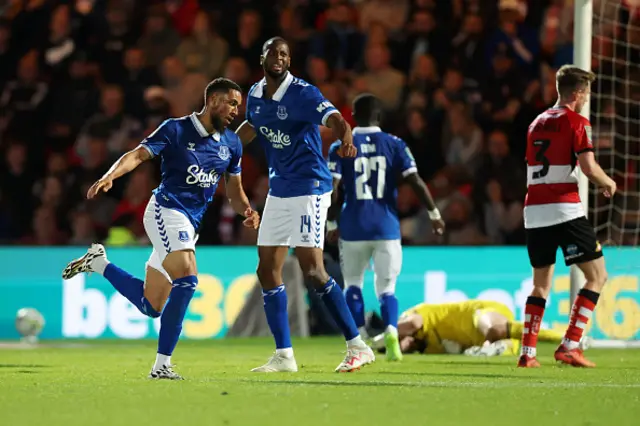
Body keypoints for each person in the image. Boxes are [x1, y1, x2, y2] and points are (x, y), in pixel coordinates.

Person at [62, 78, 259, 379]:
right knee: (188, 279)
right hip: (165, 211)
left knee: (151, 305)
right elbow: (138, 155)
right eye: (232, 103)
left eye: (238, 105)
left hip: (189, 224)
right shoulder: (176, 129)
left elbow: (234, 190)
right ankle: (162, 365)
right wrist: (110, 175)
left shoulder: (231, 144)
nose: (236, 110)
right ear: (214, 101)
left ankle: (99, 263)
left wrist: (246, 209)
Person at [235, 37, 374, 373]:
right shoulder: (254, 94)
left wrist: (347, 135)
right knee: (266, 268)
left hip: (310, 187)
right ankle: (284, 355)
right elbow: (251, 127)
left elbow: (334, 117)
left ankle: (358, 345)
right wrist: (222, 147)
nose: (280, 58)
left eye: (285, 53)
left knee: (312, 269)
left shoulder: (303, 93)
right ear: (263, 57)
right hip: (279, 189)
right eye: (274, 52)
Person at [326, 94, 445, 361]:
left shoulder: (339, 146)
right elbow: (414, 181)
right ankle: (391, 331)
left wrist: (331, 222)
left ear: (353, 116)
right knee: (387, 288)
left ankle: (360, 340)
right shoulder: (395, 144)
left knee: (353, 284)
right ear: (379, 116)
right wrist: (434, 213)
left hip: (353, 225)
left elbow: (332, 189)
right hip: (386, 226)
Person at [519, 65, 616, 368]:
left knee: (540, 284)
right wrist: (607, 182)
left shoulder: (536, 122)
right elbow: (587, 167)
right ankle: (571, 345)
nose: (587, 97)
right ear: (577, 93)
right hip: (564, 208)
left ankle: (527, 353)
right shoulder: (577, 122)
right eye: (586, 91)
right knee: (597, 275)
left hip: (534, 210)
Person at [368, 300, 571, 356]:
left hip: (483, 312)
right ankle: (500, 347)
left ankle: (564, 338)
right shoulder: (428, 347)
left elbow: (411, 325)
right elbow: (407, 343)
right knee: (496, 344)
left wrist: (379, 339)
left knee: (493, 331)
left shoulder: (420, 313)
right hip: (487, 342)